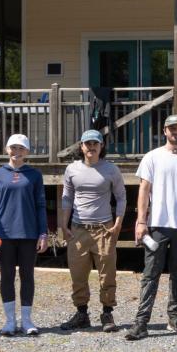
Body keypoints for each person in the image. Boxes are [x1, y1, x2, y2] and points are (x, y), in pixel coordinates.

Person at [126, 114, 177, 340]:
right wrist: (141, 221)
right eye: (171, 128)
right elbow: (144, 189)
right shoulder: (152, 157)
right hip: (157, 225)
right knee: (150, 274)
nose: (175, 132)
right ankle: (141, 322)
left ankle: (174, 317)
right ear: (164, 131)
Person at [59, 129, 126, 333]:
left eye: (95, 143)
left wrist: (118, 223)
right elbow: (67, 197)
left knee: (107, 274)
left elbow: (121, 197)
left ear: (101, 146)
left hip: (103, 228)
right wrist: (64, 224)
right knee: (78, 274)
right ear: (81, 146)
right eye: (87, 143)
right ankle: (81, 313)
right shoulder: (72, 169)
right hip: (78, 229)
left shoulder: (111, 169)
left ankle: (107, 312)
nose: (91, 147)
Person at [0, 134, 49, 336]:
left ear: (27, 152)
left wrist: (43, 233)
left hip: (29, 233)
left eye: (21, 148)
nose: (17, 152)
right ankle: (10, 321)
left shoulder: (35, 175)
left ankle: (27, 320)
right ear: (6, 149)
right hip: (4, 235)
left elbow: (40, 205)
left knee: (27, 276)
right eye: (13, 147)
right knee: (7, 276)